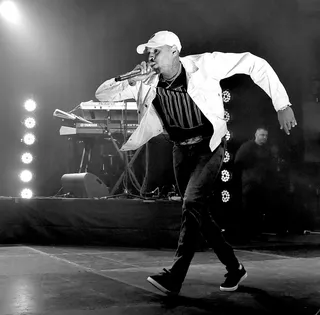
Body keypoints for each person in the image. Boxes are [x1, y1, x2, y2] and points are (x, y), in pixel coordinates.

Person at [95, 30, 297, 295]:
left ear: (175, 51)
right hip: (180, 150)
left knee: (191, 203)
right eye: (149, 52)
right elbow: (102, 94)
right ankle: (234, 268)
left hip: (208, 146)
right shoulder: (147, 80)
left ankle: (175, 276)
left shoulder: (205, 64)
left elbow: (253, 63)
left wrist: (282, 104)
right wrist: (132, 77)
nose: (151, 56)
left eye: (156, 51)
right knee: (198, 213)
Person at [234, 127, 274, 237]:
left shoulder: (266, 149)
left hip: (262, 182)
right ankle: (247, 233)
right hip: (250, 182)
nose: (264, 138)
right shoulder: (247, 147)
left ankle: (257, 232)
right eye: (262, 135)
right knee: (249, 207)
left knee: (259, 208)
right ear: (256, 135)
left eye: (266, 135)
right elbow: (238, 162)